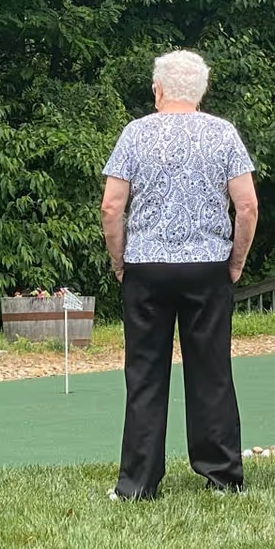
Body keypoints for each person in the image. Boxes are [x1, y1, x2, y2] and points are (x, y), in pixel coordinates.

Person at [100, 49, 258, 499]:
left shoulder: (135, 133)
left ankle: (137, 483)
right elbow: (246, 205)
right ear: (202, 91)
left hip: (146, 267)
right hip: (207, 266)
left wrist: (120, 261)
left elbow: (112, 206)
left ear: (158, 90)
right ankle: (222, 475)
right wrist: (236, 261)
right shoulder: (223, 134)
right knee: (211, 370)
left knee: (145, 373)